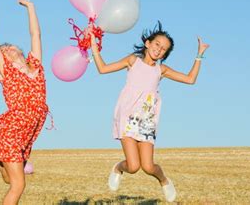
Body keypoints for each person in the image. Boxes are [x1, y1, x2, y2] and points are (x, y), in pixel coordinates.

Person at [88, 21, 209, 202]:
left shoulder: (162, 70)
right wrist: (93, 46)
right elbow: (103, 69)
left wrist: (199, 55)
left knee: (148, 166)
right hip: (127, 117)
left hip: (146, 121)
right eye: (157, 44)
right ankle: (118, 168)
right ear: (148, 43)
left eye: (164, 49)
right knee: (134, 166)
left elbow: (190, 79)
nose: (159, 50)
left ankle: (164, 181)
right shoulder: (133, 61)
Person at [0, 0, 49, 205]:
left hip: (28, 131)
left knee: (9, 179)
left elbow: (36, 34)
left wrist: (31, 7)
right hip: (11, 130)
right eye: (3, 49)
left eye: (9, 46)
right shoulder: (7, 71)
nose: (6, 48)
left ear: (20, 52)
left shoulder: (36, 65)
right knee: (19, 185)